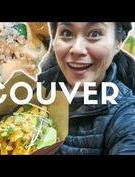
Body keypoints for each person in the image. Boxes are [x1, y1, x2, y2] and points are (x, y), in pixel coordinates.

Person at [38, 22, 135, 155]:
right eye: (67, 33)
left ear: (118, 42)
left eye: (95, 34)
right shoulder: (33, 88)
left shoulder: (126, 113)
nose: (77, 49)